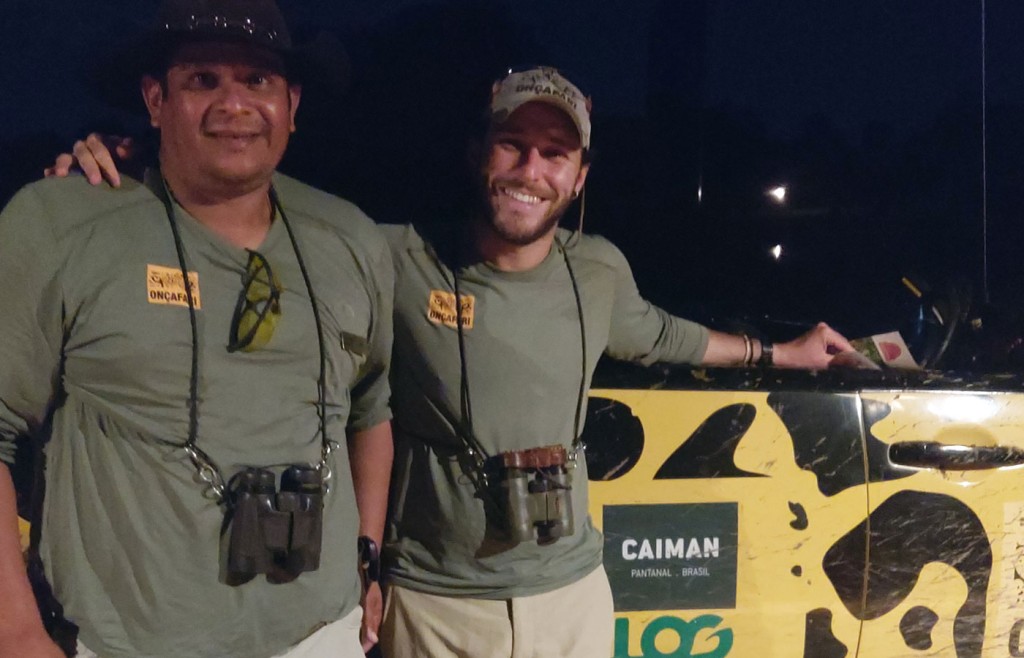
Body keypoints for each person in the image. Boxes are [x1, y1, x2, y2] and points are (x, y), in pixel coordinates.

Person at [50, 67, 852, 658]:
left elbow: (664, 335)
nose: (530, 171)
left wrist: (786, 352)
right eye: (513, 145)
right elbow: (271, 220)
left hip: (570, 595)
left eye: (553, 154)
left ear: (578, 176)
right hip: (435, 602)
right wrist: (148, 175)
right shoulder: (396, 256)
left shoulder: (599, 268)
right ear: (480, 153)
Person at [0, 1, 393, 657]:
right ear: (155, 100)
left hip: (322, 636)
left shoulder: (350, 238)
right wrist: (15, 630)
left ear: (292, 103)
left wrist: (368, 555)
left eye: (258, 81)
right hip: (127, 643)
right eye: (203, 80)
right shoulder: (60, 223)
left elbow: (372, 405)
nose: (234, 105)